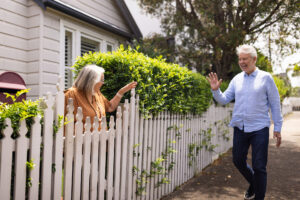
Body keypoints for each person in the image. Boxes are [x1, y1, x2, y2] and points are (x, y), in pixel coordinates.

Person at [206, 45, 282, 200]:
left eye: (245, 58)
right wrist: (215, 90)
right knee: (238, 160)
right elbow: (224, 99)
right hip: (240, 126)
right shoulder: (237, 79)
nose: (241, 62)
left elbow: (275, 103)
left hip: (260, 127)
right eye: (240, 59)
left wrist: (278, 127)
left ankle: (259, 196)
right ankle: (254, 184)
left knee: (259, 166)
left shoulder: (265, 78)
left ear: (254, 59)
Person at [64, 64, 137, 130]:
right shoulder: (71, 94)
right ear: (91, 80)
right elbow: (63, 123)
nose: (103, 83)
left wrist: (121, 92)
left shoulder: (97, 94)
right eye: (101, 80)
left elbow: (110, 107)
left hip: (100, 142)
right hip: (82, 143)